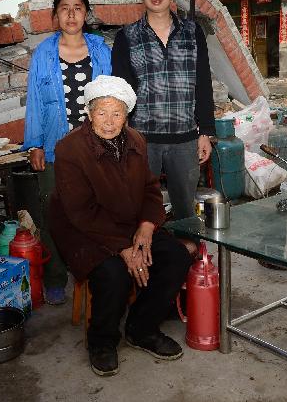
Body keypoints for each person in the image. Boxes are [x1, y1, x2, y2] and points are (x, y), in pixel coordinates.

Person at [49, 75, 193, 377]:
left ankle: (141, 328)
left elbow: (151, 190)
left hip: (129, 222)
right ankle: (101, 342)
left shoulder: (137, 141)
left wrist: (146, 227)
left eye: (117, 113)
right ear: (89, 114)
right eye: (101, 112)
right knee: (113, 272)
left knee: (176, 255)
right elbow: (80, 211)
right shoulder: (69, 149)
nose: (109, 121)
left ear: (127, 116)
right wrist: (125, 248)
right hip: (83, 230)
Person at [21, 0, 112, 305]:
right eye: (64, 8)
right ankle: (56, 277)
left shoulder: (101, 51)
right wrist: (34, 145)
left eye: (77, 8)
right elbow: (34, 102)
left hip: (96, 147)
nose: (71, 14)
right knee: (54, 213)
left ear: (86, 14)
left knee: (98, 210)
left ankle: (98, 272)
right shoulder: (43, 54)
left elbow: (114, 96)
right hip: (55, 146)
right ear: (55, 15)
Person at [111, 0, 216, 219]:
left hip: (185, 137)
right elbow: (122, 92)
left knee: (186, 211)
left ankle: (189, 254)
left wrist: (206, 132)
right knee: (141, 209)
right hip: (142, 139)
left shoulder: (193, 32)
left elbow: (203, 83)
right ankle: (147, 257)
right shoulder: (127, 37)